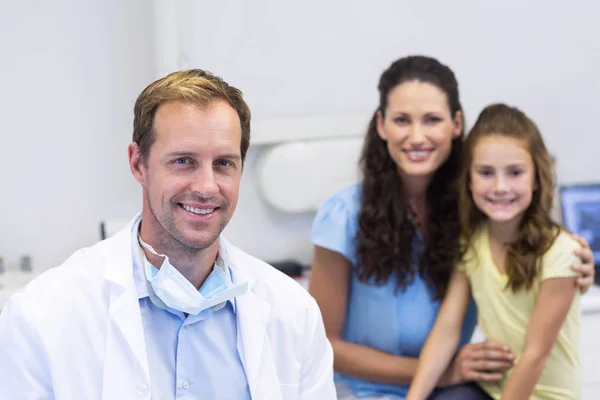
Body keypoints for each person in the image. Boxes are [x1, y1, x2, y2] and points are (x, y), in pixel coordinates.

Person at [0, 70, 336, 399]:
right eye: (183, 161)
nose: (206, 187)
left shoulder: (293, 313)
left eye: (223, 163)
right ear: (138, 164)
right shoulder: (43, 317)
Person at [308, 56, 595, 400]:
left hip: (449, 384)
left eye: (432, 119)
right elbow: (322, 343)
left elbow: (537, 248)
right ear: (381, 125)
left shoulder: (477, 212)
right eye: (402, 120)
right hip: (369, 389)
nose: (417, 136)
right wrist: (444, 373)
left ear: (457, 124)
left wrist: (577, 264)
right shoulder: (342, 215)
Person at [407, 104, 582, 400]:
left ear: (536, 178)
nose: (501, 187)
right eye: (486, 172)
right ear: (470, 180)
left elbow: (534, 356)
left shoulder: (561, 252)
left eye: (515, 173)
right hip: (493, 390)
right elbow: (447, 330)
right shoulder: (472, 242)